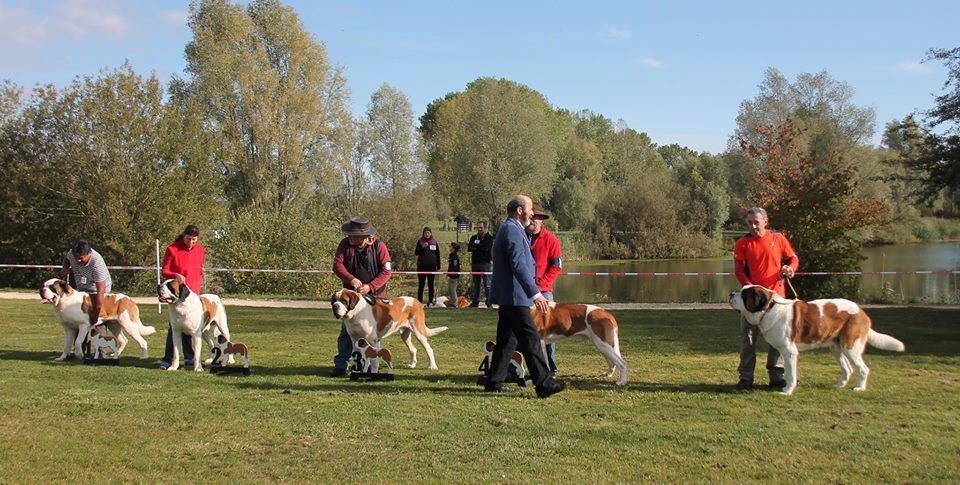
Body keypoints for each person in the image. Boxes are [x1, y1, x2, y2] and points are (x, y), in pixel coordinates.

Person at [485, 194, 565, 398]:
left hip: (510, 296)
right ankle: (544, 384)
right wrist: (536, 294)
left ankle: (494, 381)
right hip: (515, 296)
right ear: (519, 210)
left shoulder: (511, 229)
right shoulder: (512, 230)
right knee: (531, 339)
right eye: (530, 209)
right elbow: (519, 266)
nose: (532, 213)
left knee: (507, 340)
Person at [733, 207, 799, 390]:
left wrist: (790, 268)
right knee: (748, 338)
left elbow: (793, 258)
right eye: (750, 223)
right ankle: (746, 377)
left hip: (777, 300)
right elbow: (738, 270)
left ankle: (776, 376)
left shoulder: (778, 239)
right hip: (752, 301)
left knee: (779, 339)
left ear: (765, 221)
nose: (753, 226)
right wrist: (750, 288)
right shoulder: (742, 243)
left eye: (757, 222)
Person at [331, 216, 392, 376]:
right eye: (350, 234)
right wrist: (351, 279)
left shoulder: (380, 246)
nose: (350, 237)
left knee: (372, 333)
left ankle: (372, 366)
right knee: (347, 331)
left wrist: (370, 286)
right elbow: (337, 265)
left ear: (364, 236)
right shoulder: (344, 245)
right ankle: (341, 365)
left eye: (354, 235)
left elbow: (386, 271)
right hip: (351, 298)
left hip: (376, 297)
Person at [158, 224, 205, 370]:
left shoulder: (200, 250)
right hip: (177, 292)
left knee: (191, 326)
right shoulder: (172, 249)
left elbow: (199, 270)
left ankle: (190, 358)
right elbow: (165, 270)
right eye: (188, 238)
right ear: (183, 235)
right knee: (175, 326)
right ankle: (168, 359)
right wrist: (175, 275)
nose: (191, 242)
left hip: (193, 294)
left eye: (194, 239)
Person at [527, 202, 563, 375]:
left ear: (542, 220)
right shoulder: (520, 236)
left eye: (537, 217)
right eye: (532, 216)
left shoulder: (551, 240)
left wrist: (541, 285)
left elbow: (556, 267)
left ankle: (551, 368)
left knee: (547, 330)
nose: (534, 220)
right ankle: (519, 367)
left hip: (543, 291)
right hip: (522, 291)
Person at [59, 239, 112, 330]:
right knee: (79, 319)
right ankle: (83, 343)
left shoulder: (96, 263)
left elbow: (101, 289)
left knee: (97, 323)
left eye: (81, 258)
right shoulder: (72, 253)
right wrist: (65, 268)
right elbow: (67, 259)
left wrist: (96, 313)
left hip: (97, 291)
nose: (77, 260)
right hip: (82, 289)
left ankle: (101, 334)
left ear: (89, 253)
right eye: (76, 257)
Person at [467, 220, 494, 307]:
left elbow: (486, 247)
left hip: (485, 264)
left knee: (487, 284)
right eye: (477, 228)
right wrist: (479, 247)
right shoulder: (474, 237)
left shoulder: (489, 238)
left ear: (485, 228)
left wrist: (476, 247)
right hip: (475, 263)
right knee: (476, 284)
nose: (479, 229)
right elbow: (470, 248)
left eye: (481, 228)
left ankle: (489, 302)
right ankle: (475, 302)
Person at [414, 227, 441, 305]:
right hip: (421, 266)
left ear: (431, 233)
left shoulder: (434, 241)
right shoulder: (420, 241)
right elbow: (416, 253)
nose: (427, 234)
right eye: (425, 233)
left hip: (432, 266)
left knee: (431, 285)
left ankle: (430, 301)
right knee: (421, 285)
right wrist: (423, 247)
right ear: (423, 233)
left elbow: (437, 254)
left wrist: (438, 266)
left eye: (428, 233)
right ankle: (419, 302)